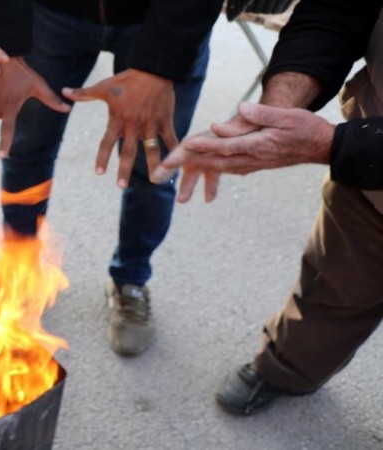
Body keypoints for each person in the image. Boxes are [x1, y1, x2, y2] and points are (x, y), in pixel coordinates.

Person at [0, 0, 221, 355]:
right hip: (48, 13)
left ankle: (131, 281)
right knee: (27, 146)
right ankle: (17, 262)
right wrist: (4, 41)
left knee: (153, 163)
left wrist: (161, 65)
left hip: (162, 15)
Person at [152, 0, 383, 415]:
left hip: (363, 149)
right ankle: (287, 369)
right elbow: (339, 11)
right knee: (335, 279)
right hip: (370, 176)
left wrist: (333, 145)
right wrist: (274, 111)